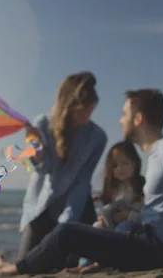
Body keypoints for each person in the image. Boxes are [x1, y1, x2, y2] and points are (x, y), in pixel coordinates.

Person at [0, 89, 163, 275]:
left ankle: (19, 268)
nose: (120, 120)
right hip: (150, 238)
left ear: (138, 119)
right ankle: (34, 261)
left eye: (124, 114)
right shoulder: (157, 154)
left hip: (162, 249)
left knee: (67, 232)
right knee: (91, 229)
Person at [16, 71, 108, 262]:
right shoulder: (42, 123)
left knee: (70, 264)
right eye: (85, 106)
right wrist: (37, 154)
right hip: (41, 205)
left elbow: (82, 182)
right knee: (26, 263)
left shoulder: (97, 137)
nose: (89, 111)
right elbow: (45, 170)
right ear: (69, 103)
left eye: (92, 106)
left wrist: (66, 224)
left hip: (78, 206)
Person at [75, 141, 146, 271]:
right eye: (115, 166)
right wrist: (105, 218)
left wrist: (128, 215)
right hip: (114, 227)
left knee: (124, 226)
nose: (120, 168)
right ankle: (83, 264)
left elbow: (148, 217)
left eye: (125, 163)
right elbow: (110, 209)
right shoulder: (113, 188)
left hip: (134, 230)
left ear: (135, 163)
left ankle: (103, 262)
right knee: (96, 227)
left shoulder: (141, 188)